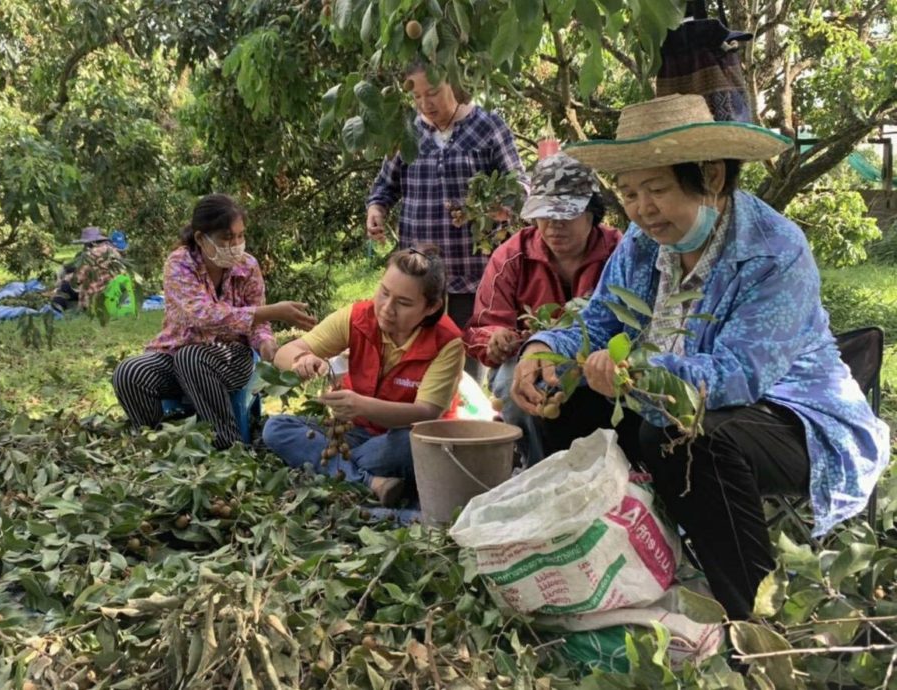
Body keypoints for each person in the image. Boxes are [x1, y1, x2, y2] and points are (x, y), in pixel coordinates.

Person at [510, 94, 890, 619]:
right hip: (674, 397)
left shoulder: (773, 251)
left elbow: (739, 375)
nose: (642, 209)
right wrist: (543, 349)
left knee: (678, 435)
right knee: (564, 397)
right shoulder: (644, 243)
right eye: (630, 193)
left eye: (658, 189)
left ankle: (755, 623)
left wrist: (635, 373)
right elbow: (599, 322)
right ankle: (600, 563)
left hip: (791, 417)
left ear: (710, 176)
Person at [262, 245, 465, 506]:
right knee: (276, 428)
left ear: (431, 307)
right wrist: (302, 360)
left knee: (409, 447)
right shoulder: (357, 317)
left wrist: (360, 405)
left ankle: (335, 468)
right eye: (384, 293)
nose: (387, 308)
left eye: (403, 303)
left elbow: (426, 412)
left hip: (405, 440)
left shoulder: (447, 342)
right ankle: (370, 482)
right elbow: (286, 352)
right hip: (355, 432)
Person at [112, 194, 316, 448]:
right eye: (227, 238)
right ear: (201, 238)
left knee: (192, 359)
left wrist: (266, 344)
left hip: (230, 358)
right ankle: (159, 445)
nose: (236, 244)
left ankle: (228, 446)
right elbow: (200, 315)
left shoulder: (248, 266)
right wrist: (270, 312)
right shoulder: (180, 263)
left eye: (240, 236)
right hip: (174, 354)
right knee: (129, 372)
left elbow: (258, 325)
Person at [365, 62, 527, 379]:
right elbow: (385, 185)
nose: (426, 104)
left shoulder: (488, 126)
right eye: (417, 97)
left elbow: (520, 185)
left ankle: (462, 426)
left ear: (452, 81)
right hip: (419, 280)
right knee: (416, 372)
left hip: (473, 275)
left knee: (464, 373)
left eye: (433, 92)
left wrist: (503, 204)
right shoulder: (406, 132)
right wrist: (377, 209)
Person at [463, 152, 621, 466]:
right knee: (512, 383)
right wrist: (496, 339)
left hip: (601, 360)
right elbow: (483, 325)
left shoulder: (618, 252)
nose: (553, 227)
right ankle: (538, 465)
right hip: (526, 362)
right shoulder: (511, 257)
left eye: (565, 216)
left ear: (591, 213)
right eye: (545, 215)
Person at [51, 227, 125, 313]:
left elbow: (78, 278)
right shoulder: (114, 251)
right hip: (113, 292)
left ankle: (58, 305)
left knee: (65, 286)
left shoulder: (89, 255)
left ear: (90, 243)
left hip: (94, 296)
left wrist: (62, 281)